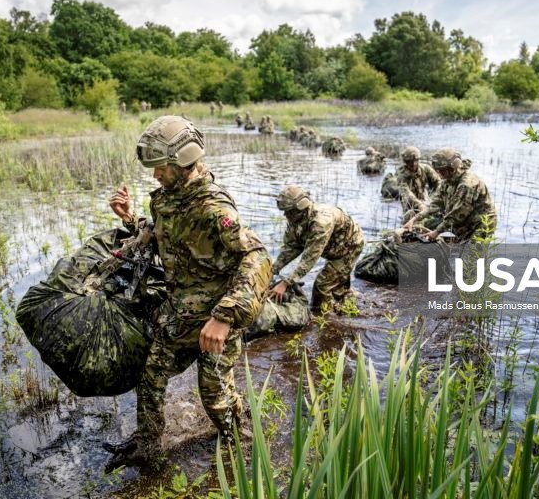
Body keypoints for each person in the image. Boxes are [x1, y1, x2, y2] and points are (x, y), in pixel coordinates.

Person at [104, 116, 272, 470]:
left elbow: (256, 258)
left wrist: (224, 317)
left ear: (183, 160)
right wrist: (131, 219)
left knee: (214, 395)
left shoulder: (215, 209)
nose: (155, 176)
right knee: (149, 375)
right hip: (179, 314)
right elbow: (166, 237)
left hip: (216, 320)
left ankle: (238, 443)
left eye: (160, 168)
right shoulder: (166, 199)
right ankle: (147, 445)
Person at [270, 185, 364, 310]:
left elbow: (309, 259)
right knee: (335, 285)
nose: (285, 215)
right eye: (285, 211)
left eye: (289, 211)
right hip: (332, 246)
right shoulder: (295, 220)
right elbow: (291, 248)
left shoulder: (321, 222)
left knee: (322, 285)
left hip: (349, 247)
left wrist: (285, 283)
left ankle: (328, 317)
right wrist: (273, 270)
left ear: (300, 207)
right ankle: (345, 300)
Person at [403, 147, 496, 242]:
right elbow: (435, 204)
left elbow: (457, 214)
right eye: (437, 170)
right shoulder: (447, 181)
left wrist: (436, 232)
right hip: (464, 221)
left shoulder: (467, 184)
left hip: (482, 223)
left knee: (472, 254)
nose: (439, 173)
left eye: (442, 170)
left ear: (452, 168)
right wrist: (414, 219)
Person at [396, 146, 440, 222]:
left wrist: (437, 199)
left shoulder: (425, 169)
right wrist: (419, 205)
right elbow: (406, 193)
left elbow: (438, 183)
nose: (413, 164)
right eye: (409, 161)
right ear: (405, 162)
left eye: (415, 161)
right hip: (410, 207)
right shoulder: (401, 174)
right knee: (409, 217)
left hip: (426, 201)